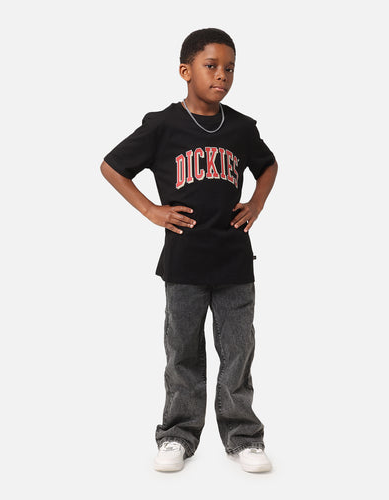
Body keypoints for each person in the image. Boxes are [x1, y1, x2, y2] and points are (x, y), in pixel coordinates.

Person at [100, 27, 278, 473]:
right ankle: (177, 434)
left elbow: (268, 165)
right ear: (185, 71)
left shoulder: (241, 127)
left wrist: (256, 203)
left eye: (230, 68)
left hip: (234, 261)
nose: (222, 76)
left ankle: (244, 438)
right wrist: (151, 210)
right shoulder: (163, 124)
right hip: (183, 263)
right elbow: (112, 166)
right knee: (183, 354)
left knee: (238, 353)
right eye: (211, 66)